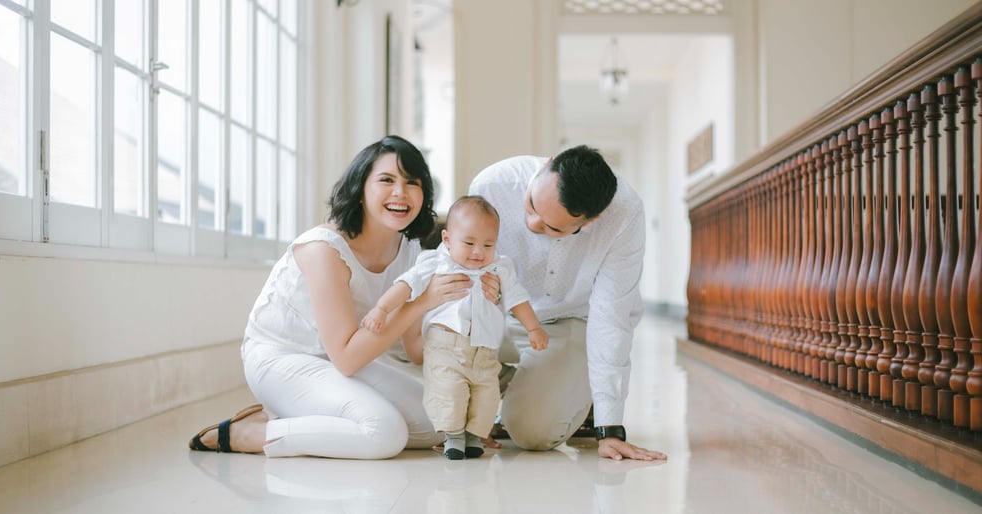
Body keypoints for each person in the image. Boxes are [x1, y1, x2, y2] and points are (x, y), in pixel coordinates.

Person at [188, 135, 490, 459]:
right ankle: (246, 433)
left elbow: (415, 350)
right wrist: (421, 302)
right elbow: (346, 357)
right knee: (384, 433)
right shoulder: (324, 249)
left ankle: (310, 415)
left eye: (412, 182)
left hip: (339, 362)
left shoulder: (411, 251)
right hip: (281, 360)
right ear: (361, 188)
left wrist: (462, 323)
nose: (400, 193)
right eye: (386, 180)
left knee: (442, 422)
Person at [468, 145, 667, 462]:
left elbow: (610, 318)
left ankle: (576, 393)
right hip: (504, 316)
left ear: (591, 220)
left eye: (553, 227)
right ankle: (533, 388)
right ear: (547, 165)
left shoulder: (624, 216)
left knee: (532, 433)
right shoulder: (491, 185)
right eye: (532, 205)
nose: (533, 223)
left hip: (573, 321)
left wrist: (610, 427)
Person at [362, 195, 549, 460]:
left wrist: (534, 329)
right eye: (469, 243)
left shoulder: (499, 268)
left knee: (486, 396)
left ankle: (474, 436)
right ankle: (453, 436)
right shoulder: (436, 264)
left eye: (488, 244)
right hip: (445, 345)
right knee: (449, 392)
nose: (478, 252)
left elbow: (518, 299)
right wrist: (381, 308)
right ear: (448, 240)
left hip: (484, 350)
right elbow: (405, 285)